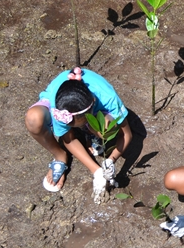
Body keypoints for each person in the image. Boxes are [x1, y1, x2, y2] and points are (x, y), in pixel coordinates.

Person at [25, 67, 132, 203]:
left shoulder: (108, 98)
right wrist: (97, 171)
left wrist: (111, 160)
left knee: (106, 127)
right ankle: (60, 156)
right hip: (66, 101)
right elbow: (68, 139)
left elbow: (127, 135)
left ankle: (93, 133)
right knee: (34, 119)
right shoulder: (60, 107)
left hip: (97, 110)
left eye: (82, 126)